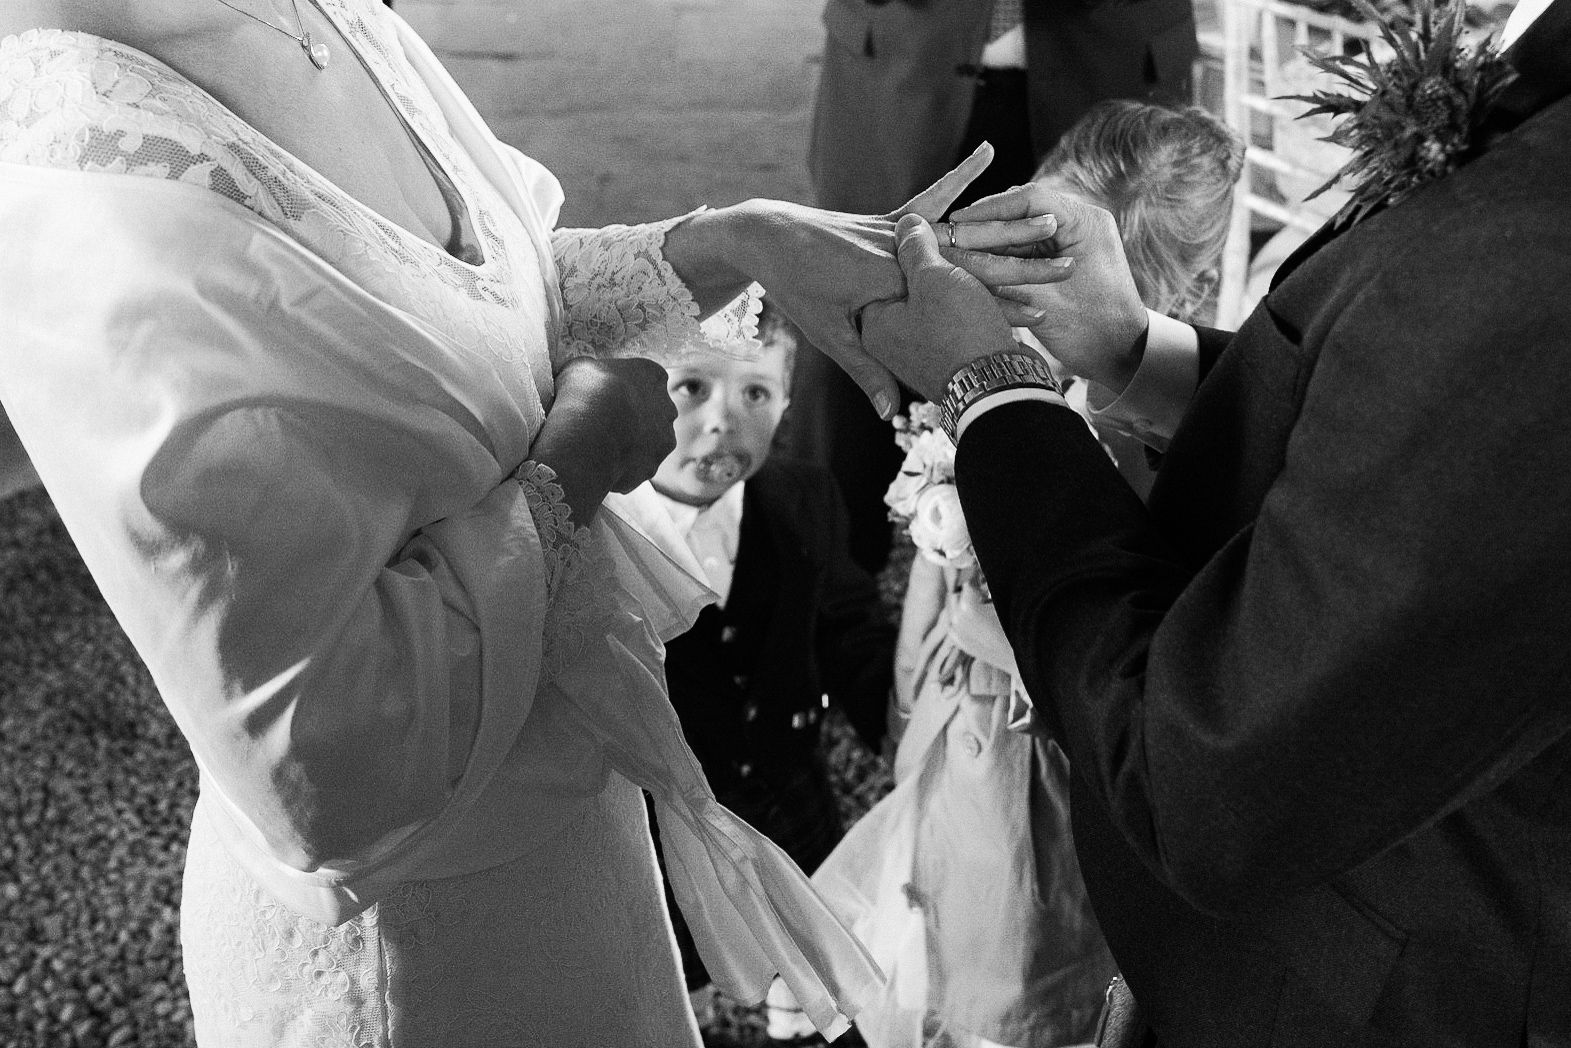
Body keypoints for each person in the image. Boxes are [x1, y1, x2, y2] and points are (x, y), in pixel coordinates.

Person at [0, 2, 1063, 1044]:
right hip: (423, 941)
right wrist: (578, 466)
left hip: (574, 838)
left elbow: (475, 301)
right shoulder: (79, 144)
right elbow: (321, 755)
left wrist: (737, 240)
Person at [857, 0, 1571, 1043]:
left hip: (1367, 983)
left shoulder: (1537, 256)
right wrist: (1135, 349)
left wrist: (994, 395)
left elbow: (1202, 778)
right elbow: (1440, 466)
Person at [808, 102, 1241, 1048]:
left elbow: (1095, 623)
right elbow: (937, 555)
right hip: (960, 718)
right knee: (943, 908)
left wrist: (947, 635)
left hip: (1048, 750)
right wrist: (915, 671)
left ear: (1193, 282)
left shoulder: (1133, 448)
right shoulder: (1018, 391)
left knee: (1015, 953)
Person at [789, 0, 1200, 575]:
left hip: (1112, 74)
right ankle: (827, 585)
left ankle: (1093, 597)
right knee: (853, 309)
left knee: (1105, 343)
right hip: (897, 68)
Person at [643, 303, 896, 1040]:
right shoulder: (596, 528)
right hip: (662, 833)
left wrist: (905, 721)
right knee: (668, 978)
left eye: (754, 393)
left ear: (786, 401)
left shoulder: (804, 497)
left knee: (806, 971)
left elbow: (848, 623)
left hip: (788, 799)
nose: (722, 420)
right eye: (689, 387)